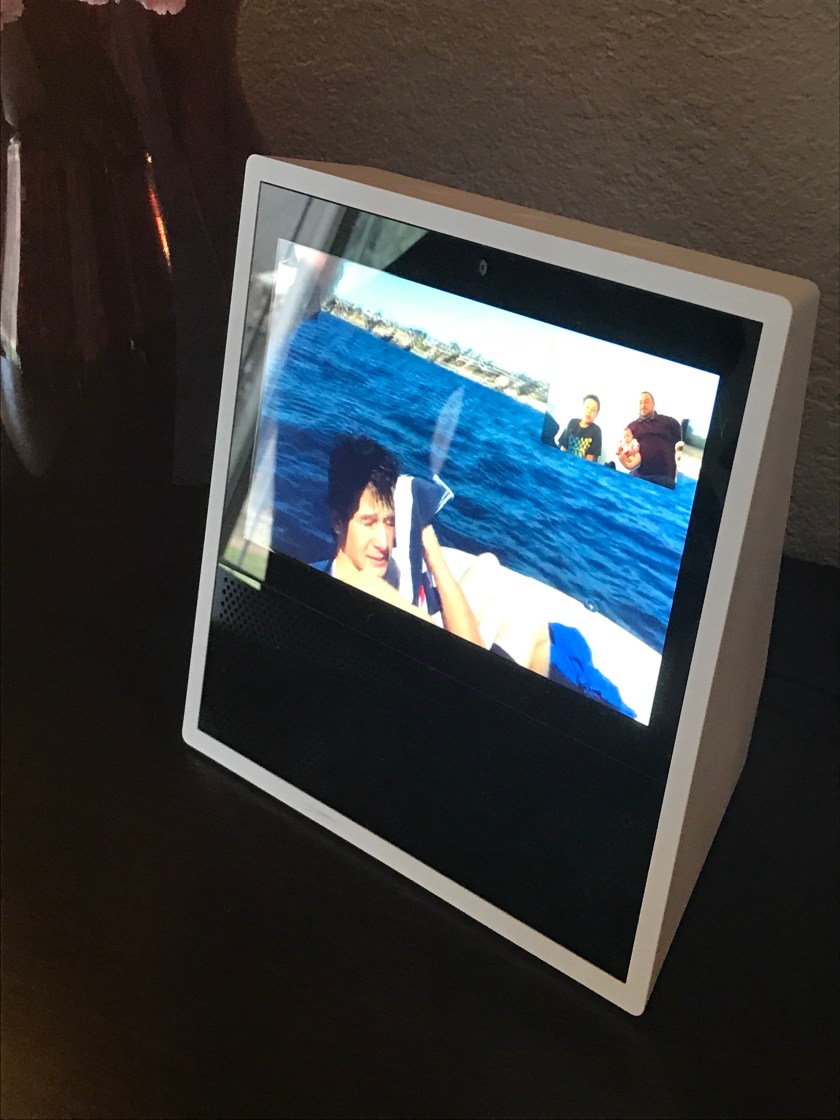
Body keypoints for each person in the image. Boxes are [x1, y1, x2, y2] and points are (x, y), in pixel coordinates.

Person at [317, 435, 485, 647]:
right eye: (368, 522)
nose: (383, 543)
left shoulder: (377, 573)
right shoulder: (366, 585)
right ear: (338, 522)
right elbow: (468, 654)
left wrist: (427, 541)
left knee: (487, 562)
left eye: (390, 522)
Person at [616, 391, 684, 488]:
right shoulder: (631, 427)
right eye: (640, 403)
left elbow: (681, 447)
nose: (643, 405)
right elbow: (625, 450)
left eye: (646, 402)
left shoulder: (670, 422)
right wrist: (624, 459)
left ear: (653, 404)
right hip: (639, 478)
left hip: (665, 479)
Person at [555, 394, 602, 461]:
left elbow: (589, 460)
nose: (589, 412)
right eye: (587, 407)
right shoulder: (572, 422)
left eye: (593, 410)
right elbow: (564, 448)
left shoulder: (596, 431)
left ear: (597, 414)